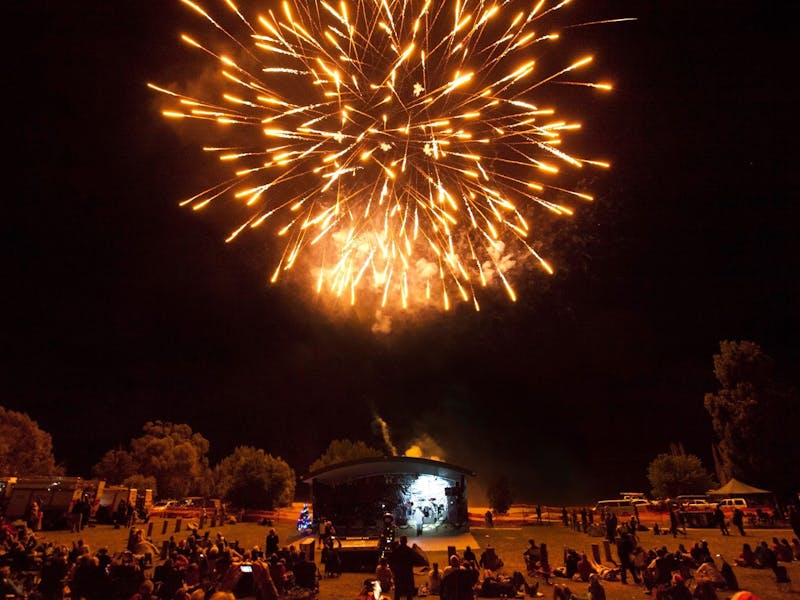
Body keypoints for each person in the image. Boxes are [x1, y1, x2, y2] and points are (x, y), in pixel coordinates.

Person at [388, 535, 416, 600]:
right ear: (406, 541)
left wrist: (393, 570)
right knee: (409, 591)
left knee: (397, 590)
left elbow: (390, 560)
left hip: (399, 573)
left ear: (400, 541)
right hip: (407, 573)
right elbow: (414, 561)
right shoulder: (409, 550)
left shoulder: (396, 550)